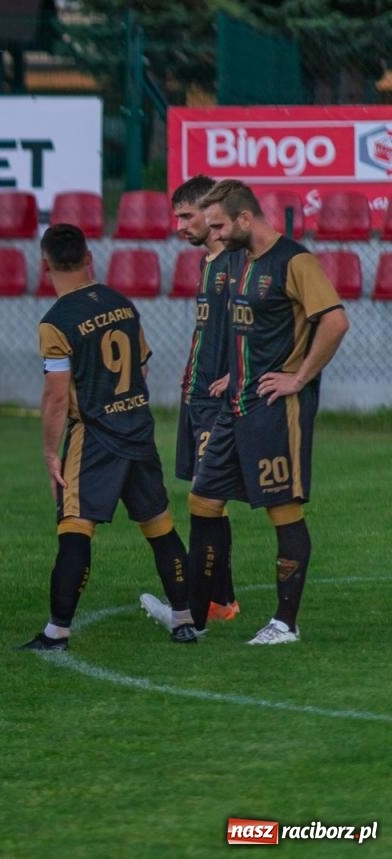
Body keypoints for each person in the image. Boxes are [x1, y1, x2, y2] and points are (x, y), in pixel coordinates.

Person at [177, 180, 348, 646]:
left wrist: (299, 376)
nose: (214, 233)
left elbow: (335, 321)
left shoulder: (295, 261)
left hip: (277, 408)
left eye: (219, 225)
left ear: (245, 219)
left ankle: (285, 623)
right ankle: (196, 615)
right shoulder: (235, 262)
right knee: (203, 500)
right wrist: (235, 374)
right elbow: (250, 331)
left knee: (282, 511)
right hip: (236, 406)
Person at [20, 224, 196, 652]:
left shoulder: (56, 322)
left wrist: (49, 452)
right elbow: (143, 366)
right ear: (89, 258)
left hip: (95, 436)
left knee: (75, 529)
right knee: (160, 527)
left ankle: (56, 632)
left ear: (44, 267)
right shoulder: (121, 304)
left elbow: (57, 397)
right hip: (137, 427)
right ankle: (184, 620)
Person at [138, 175, 241, 631]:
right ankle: (221, 600)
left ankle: (194, 611)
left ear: (211, 212)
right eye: (176, 216)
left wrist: (237, 374)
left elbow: (263, 322)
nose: (179, 225)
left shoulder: (236, 265)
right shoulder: (210, 262)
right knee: (208, 501)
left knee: (205, 500)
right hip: (197, 397)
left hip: (216, 403)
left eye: (187, 216)